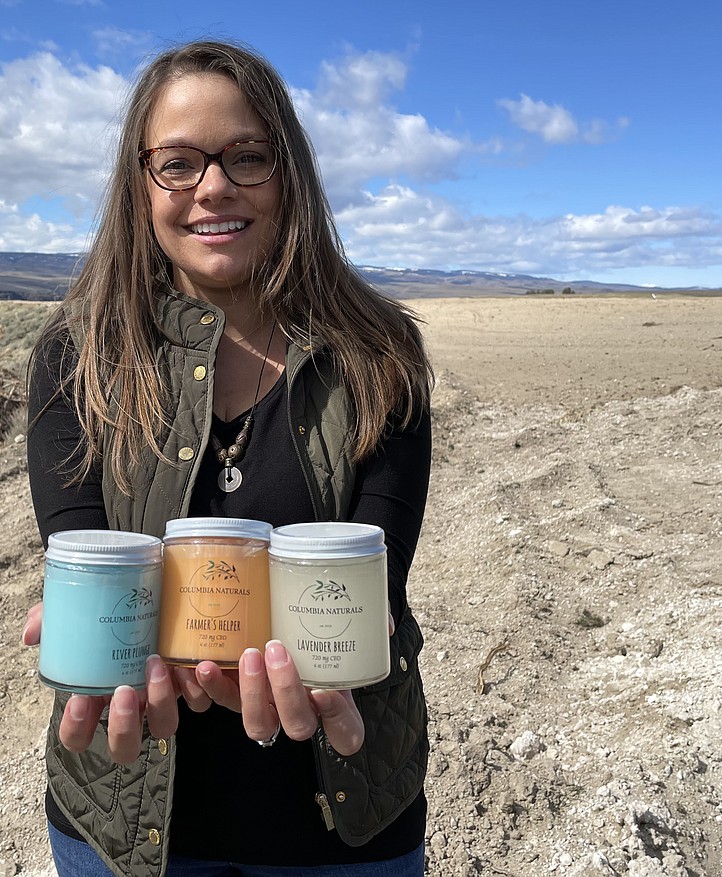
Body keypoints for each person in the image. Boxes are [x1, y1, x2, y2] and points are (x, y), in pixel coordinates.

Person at [24, 39, 434, 877]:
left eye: (246, 156)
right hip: (121, 818)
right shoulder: (78, 356)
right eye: (177, 163)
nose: (212, 187)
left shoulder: (379, 358)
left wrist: (349, 657)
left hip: (346, 822)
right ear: (140, 187)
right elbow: (83, 563)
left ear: (289, 172)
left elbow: (371, 580)